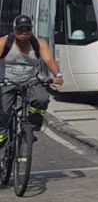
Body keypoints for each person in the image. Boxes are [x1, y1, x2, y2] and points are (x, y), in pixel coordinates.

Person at [0, 15, 63, 149]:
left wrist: (57, 75)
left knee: (42, 99)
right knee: (3, 112)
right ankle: (2, 138)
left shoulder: (38, 44)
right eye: (20, 30)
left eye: (27, 30)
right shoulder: (4, 42)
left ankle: (29, 129)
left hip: (30, 81)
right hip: (6, 82)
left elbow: (49, 60)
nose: (24, 33)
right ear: (14, 30)